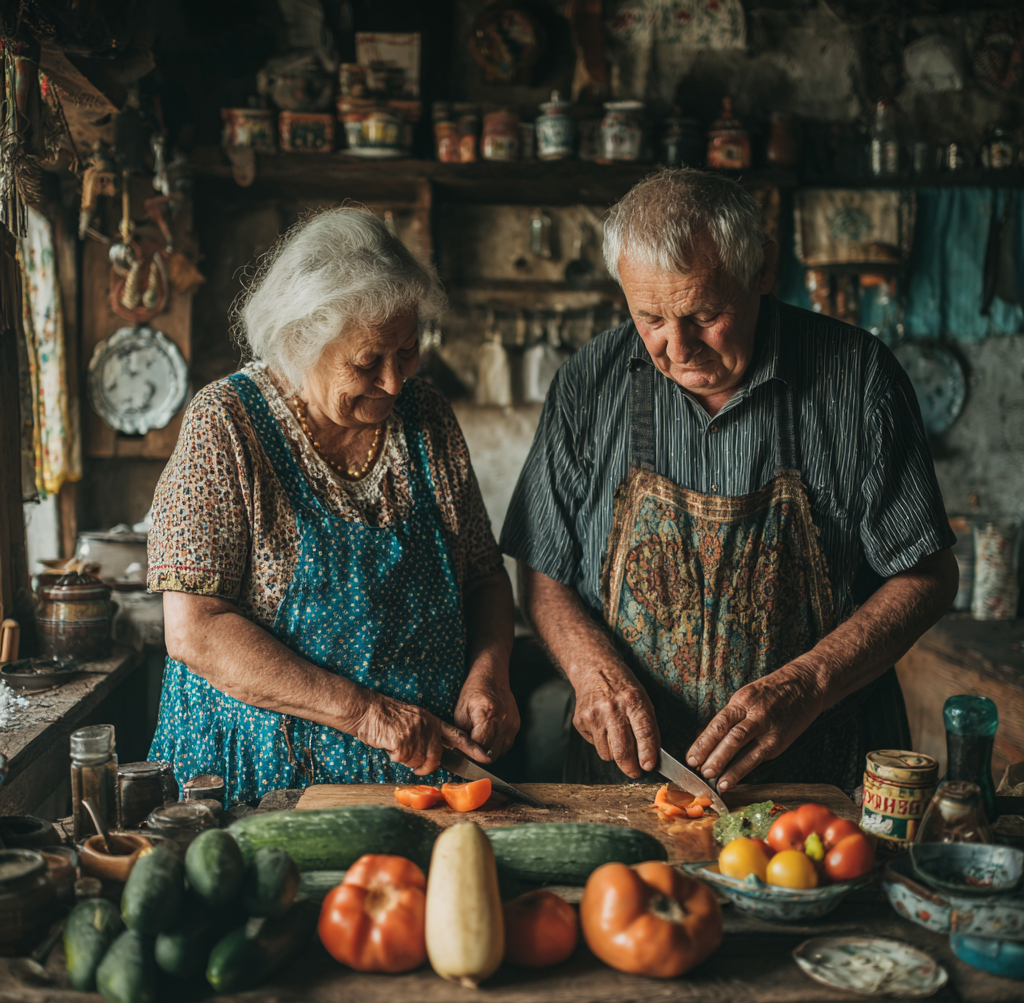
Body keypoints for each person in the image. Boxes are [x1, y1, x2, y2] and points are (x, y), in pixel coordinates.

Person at [501, 169, 958, 794]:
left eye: (705, 314)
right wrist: (592, 673)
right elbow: (543, 571)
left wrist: (809, 684)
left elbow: (926, 577)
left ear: (763, 270)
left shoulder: (858, 378)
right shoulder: (589, 383)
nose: (679, 347)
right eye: (651, 317)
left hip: (819, 781)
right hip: (632, 784)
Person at [147, 208, 517, 803]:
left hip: (425, 774)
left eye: (408, 350)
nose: (395, 382)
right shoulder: (226, 426)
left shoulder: (428, 418)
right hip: (266, 781)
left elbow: (483, 576)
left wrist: (489, 675)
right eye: (368, 361)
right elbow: (196, 630)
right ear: (299, 342)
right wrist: (368, 715)